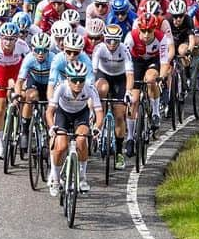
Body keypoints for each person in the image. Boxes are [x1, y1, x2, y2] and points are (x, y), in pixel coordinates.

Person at [46, 58, 103, 197]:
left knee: (82, 141)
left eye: (81, 80)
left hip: (80, 115)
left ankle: (82, 178)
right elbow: (49, 111)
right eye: (75, 80)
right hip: (62, 114)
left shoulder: (89, 88)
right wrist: (52, 126)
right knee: (60, 146)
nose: (78, 83)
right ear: (68, 79)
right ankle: (55, 178)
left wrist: (97, 127)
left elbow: (99, 112)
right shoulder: (61, 87)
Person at [92, 23, 135, 168]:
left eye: (115, 40)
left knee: (119, 114)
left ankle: (118, 153)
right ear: (104, 39)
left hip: (120, 78)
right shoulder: (99, 48)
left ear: (120, 40)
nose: (111, 44)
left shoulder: (124, 50)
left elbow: (129, 74)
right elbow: (93, 72)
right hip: (103, 75)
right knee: (102, 89)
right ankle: (100, 121)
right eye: (108, 40)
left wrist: (128, 92)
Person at [0, 21, 28, 159]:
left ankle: (23, 128)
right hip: (1, 72)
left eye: (11, 39)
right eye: (5, 39)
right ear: (1, 37)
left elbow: (29, 65)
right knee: (0, 107)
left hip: (17, 71)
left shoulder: (22, 46)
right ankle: (0, 144)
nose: (8, 43)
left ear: (16, 39)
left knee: (21, 97)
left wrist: (25, 83)